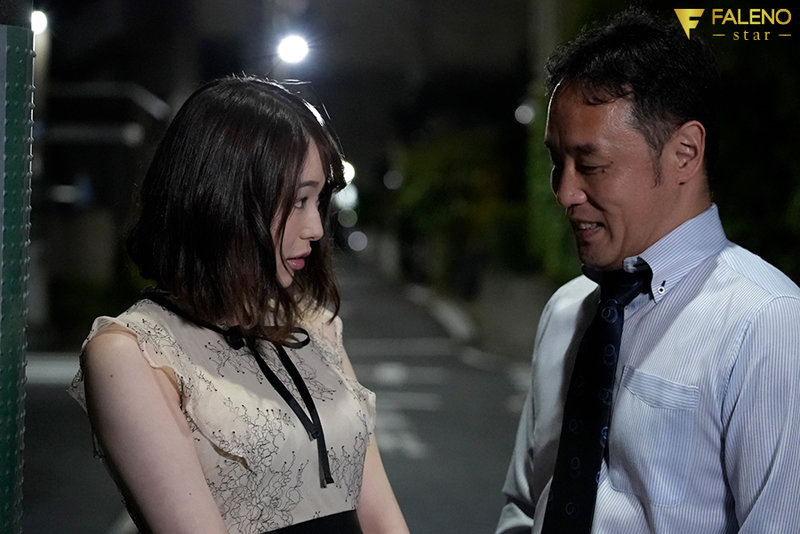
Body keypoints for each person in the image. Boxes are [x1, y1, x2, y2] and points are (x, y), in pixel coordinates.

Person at [497, 7, 800, 533]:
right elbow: (526, 505)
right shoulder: (568, 310)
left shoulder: (767, 324)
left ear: (685, 152)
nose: (565, 192)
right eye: (557, 163)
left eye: (591, 165)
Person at [68, 75, 409, 534]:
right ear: (223, 199)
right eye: (298, 201)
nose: (316, 228)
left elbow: (382, 516)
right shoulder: (135, 352)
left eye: (318, 200)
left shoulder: (314, 323)